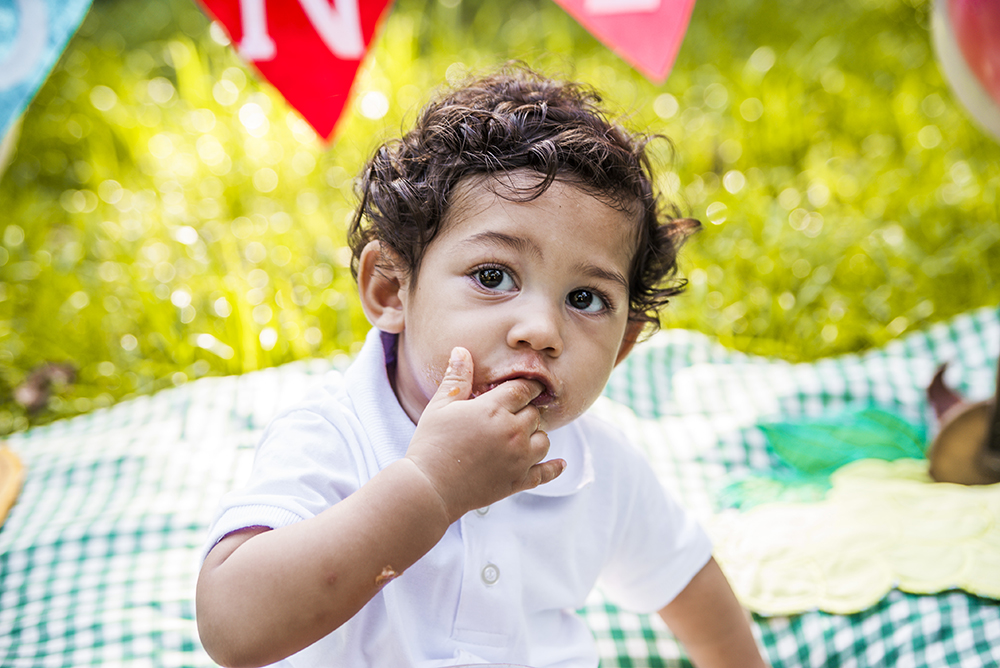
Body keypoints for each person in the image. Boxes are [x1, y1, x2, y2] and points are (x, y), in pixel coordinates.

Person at [196, 65, 768, 668]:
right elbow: (233, 628)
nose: (542, 330)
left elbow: (685, 578)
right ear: (391, 291)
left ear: (622, 347)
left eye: (585, 299)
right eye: (493, 278)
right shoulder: (332, 438)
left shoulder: (595, 464)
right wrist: (432, 487)